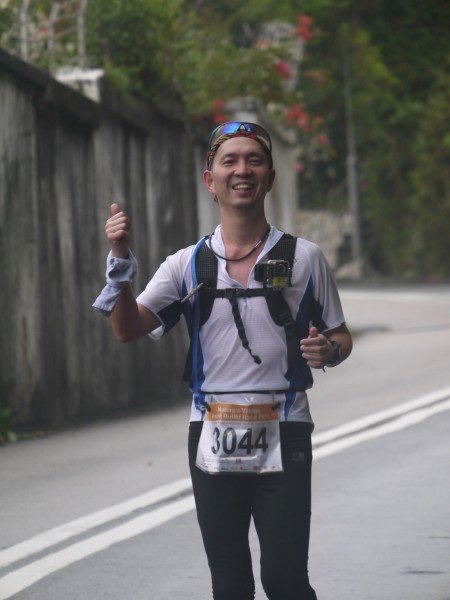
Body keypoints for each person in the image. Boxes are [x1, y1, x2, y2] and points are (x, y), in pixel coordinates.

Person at [93, 121, 352, 600]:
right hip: (211, 432)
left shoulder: (305, 258)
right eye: (229, 161)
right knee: (230, 584)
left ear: (270, 177)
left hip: (286, 429)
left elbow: (339, 334)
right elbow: (127, 329)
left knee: (285, 580)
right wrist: (120, 262)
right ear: (210, 180)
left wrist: (330, 350)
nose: (242, 170)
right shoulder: (187, 264)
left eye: (254, 160)